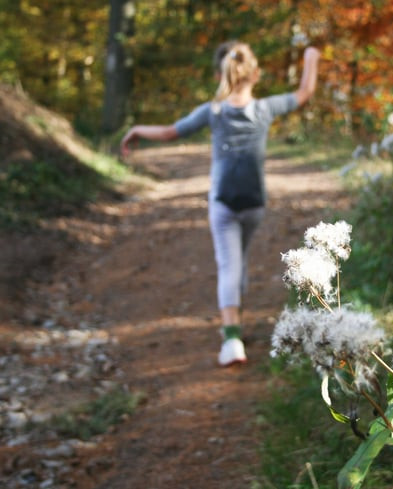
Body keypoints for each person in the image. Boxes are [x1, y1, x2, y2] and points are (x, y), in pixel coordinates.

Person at [121, 41, 320, 366]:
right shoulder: (266, 109)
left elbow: (172, 132)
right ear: (255, 74)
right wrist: (311, 58)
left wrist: (136, 130)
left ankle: (232, 340)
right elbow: (304, 93)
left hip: (223, 202)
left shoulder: (212, 112)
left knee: (229, 264)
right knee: (238, 260)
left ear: (221, 74)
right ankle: (235, 320)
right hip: (254, 202)